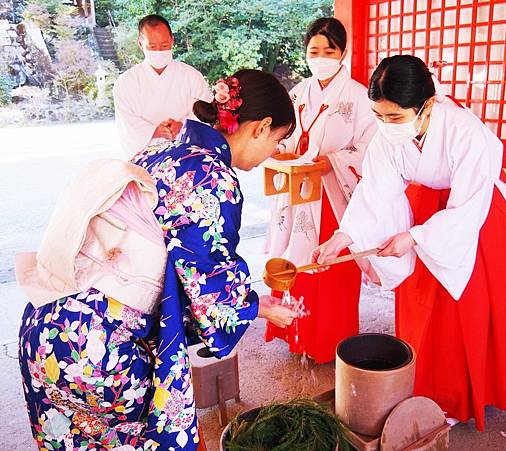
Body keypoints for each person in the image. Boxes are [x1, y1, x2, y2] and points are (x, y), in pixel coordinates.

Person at [17, 69, 298, 449]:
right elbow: (210, 290)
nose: (274, 153)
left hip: (46, 322)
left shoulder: (161, 147)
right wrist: (260, 308)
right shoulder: (211, 178)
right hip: (97, 346)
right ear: (261, 127)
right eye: (278, 140)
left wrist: (249, 302)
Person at [313, 55, 506, 430]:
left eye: (394, 118)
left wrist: (414, 237)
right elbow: (374, 192)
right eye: (379, 116)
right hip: (426, 211)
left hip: (475, 220)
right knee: (418, 300)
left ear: (425, 104)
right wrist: (342, 237)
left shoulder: (467, 132)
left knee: (464, 309)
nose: (386, 126)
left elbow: (469, 206)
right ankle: (421, 387)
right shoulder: (389, 134)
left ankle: (462, 398)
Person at [264, 17, 377, 364]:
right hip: (297, 191)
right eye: (315, 50)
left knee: (330, 269)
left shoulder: (360, 96)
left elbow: (371, 147)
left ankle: (331, 340)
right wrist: (278, 150)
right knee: (293, 261)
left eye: (330, 49)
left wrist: (334, 161)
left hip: (334, 196)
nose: (322, 56)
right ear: (306, 52)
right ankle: (293, 332)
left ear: (343, 52)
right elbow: (285, 135)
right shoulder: (297, 93)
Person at [113, 14, 212, 157]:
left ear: (172, 41)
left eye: (164, 46)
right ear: (140, 44)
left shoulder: (192, 76)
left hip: (187, 155)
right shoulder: (125, 83)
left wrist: (184, 126)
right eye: (152, 47)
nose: (159, 51)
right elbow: (127, 126)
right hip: (146, 159)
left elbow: (206, 112)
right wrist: (154, 131)